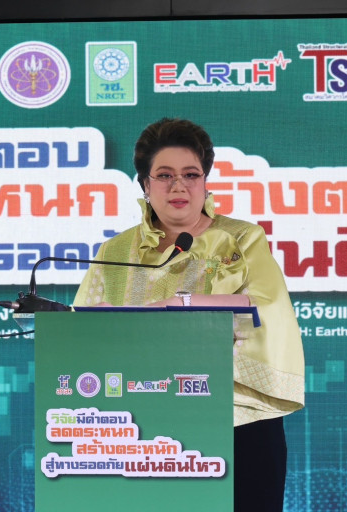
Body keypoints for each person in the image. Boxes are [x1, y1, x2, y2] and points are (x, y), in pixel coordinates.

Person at [73, 118, 305, 511]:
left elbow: (265, 311)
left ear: (205, 182)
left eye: (191, 175)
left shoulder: (241, 239)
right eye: (164, 175)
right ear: (145, 185)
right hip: (141, 426)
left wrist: (177, 305)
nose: (178, 186)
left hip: (237, 421)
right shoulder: (115, 252)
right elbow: (83, 329)